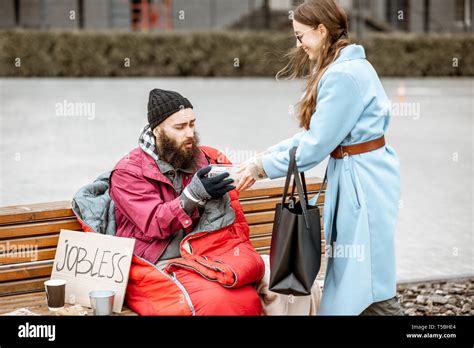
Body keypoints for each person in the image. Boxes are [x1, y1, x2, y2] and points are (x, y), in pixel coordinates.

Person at [237, 0, 403, 316]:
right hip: (362, 177)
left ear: (321, 31)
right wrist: (265, 157)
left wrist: (261, 166)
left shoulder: (342, 75)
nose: (299, 45)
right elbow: (316, 137)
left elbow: (315, 146)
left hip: (361, 183)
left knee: (367, 284)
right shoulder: (350, 68)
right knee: (364, 279)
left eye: (301, 36)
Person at [108, 88, 265, 315]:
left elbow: (236, 221)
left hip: (204, 253)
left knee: (272, 284)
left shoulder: (205, 158)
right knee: (222, 301)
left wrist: (242, 176)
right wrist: (192, 196)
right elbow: (154, 223)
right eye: (180, 127)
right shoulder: (128, 172)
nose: (190, 133)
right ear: (157, 131)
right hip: (154, 261)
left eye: (192, 124)